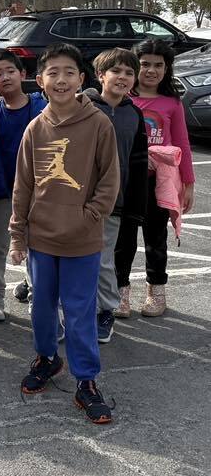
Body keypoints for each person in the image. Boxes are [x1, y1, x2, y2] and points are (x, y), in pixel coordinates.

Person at [9, 43, 119, 424]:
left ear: (81, 80)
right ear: (40, 81)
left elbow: (109, 179)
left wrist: (90, 216)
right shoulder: (35, 128)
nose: (61, 79)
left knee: (79, 312)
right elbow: (22, 186)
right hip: (42, 238)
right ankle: (47, 358)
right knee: (41, 307)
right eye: (52, 72)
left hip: (82, 239)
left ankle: (86, 380)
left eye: (69, 72)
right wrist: (17, 235)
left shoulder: (98, 124)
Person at [114, 39, 195, 317]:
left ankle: (156, 291)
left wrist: (188, 184)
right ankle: (120, 293)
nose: (151, 70)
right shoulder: (123, 100)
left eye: (158, 65)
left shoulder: (172, 103)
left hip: (159, 183)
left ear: (167, 68)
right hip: (126, 182)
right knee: (122, 240)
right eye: (144, 64)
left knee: (155, 238)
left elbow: (182, 145)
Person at [85, 48, 148, 342]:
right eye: (116, 71)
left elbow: (138, 162)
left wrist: (135, 204)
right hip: (77, 199)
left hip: (114, 201)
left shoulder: (133, 113)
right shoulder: (82, 105)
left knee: (102, 259)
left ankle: (105, 311)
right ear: (101, 75)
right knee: (67, 254)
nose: (123, 77)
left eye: (129, 72)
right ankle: (64, 308)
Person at [0, 49, 47, 321]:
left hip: (37, 190)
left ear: (23, 74)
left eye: (10, 71)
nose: (4, 77)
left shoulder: (40, 107)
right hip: (3, 190)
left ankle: (35, 293)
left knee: (36, 244)